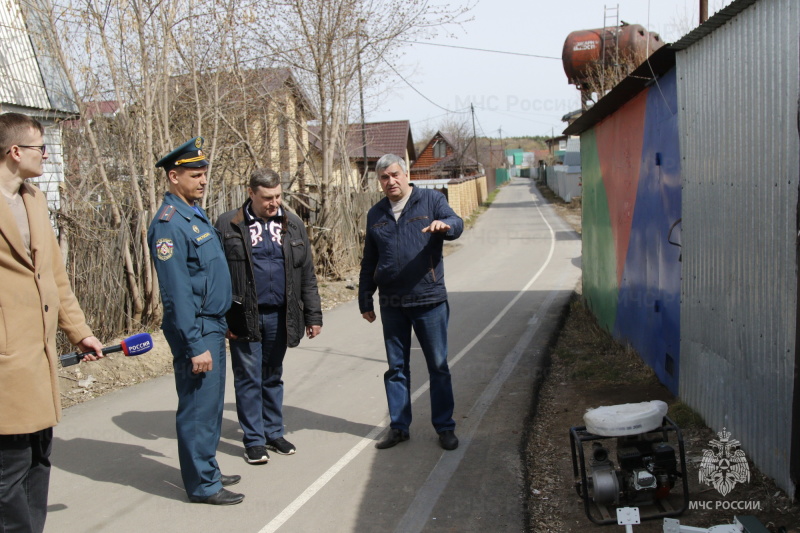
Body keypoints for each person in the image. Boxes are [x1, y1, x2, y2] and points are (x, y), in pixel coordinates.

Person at [0, 112, 104, 533]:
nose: (46, 155)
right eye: (41, 148)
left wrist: (79, 332)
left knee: (39, 461)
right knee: (8, 472)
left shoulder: (34, 199)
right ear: (14, 152)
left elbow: (55, 277)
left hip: (39, 362)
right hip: (7, 361)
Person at [147, 137, 243, 505]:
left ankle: (209, 468)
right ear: (174, 176)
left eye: (204, 173)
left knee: (212, 405)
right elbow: (176, 293)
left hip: (212, 323)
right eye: (194, 174)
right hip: (197, 328)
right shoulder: (169, 224)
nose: (203, 180)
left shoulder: (193, 213)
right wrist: (194, 343)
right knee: (198, 408)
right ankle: (203, 485)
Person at [215, 168, 322, 464]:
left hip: (281, 314)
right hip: (243, 315)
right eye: (267, 198)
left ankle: (274, 432)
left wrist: (314, 315)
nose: (274, 203)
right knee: (248, 378)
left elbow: (307, 275)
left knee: (272, 376)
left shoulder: (293, 225)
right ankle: (254, 440)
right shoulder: (228, 224)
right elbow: (216, 275)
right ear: (251, 193)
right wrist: (221, 318)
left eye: (277, 196)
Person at [358, 153, 463, 451]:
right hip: (392, 302)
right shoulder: (376, 214)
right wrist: (365, 296)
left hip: (428, 299)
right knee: (396, 368)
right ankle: (399, 427)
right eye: (384, 177)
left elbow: (456, 222)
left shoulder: (430, 201)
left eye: (394, 175)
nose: (391, 181)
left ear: (406, 174)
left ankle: (444, 427)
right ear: (379, 182)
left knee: (438, 366)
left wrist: (446, 226)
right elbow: (369, 260)